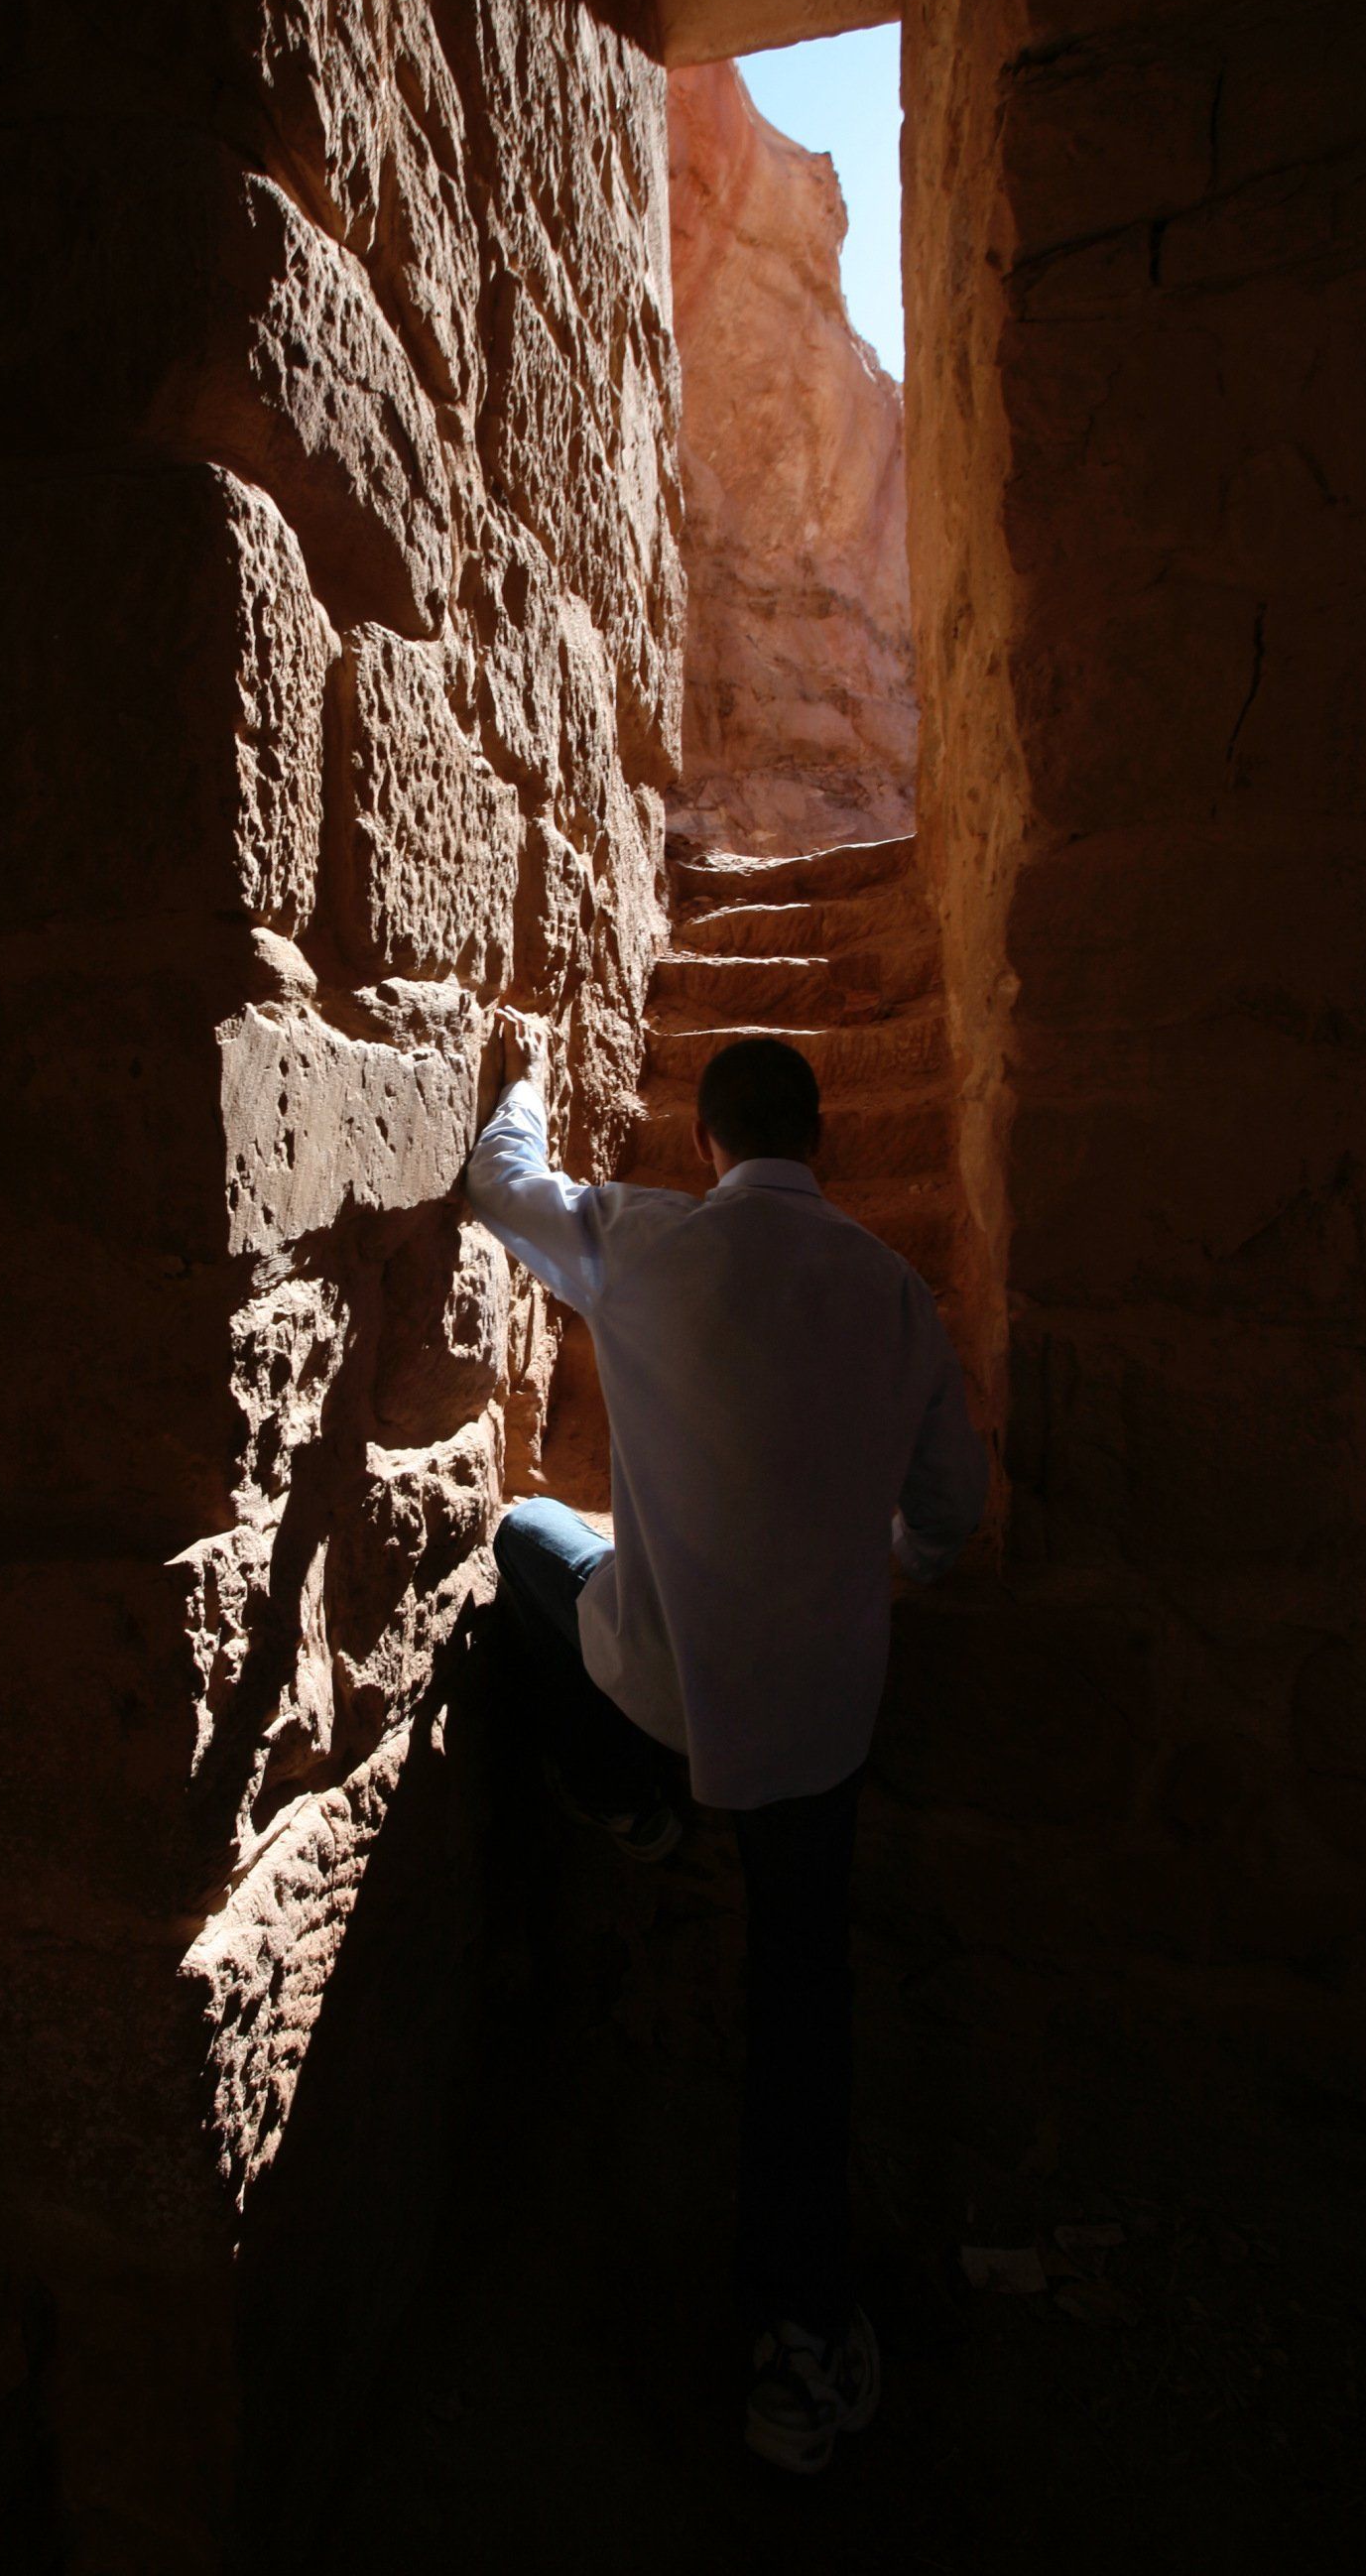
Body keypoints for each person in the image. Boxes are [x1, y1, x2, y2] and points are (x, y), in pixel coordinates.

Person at [465, 1016, 988, 2475]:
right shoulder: (891, 1293)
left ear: (705, 1143)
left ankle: (628, 1794)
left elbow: (502, 1186)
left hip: (662, 1691)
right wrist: (888, 1555)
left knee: (529, 1537)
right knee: (802, 2006)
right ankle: (798, 2345)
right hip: (818, 1717)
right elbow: (948, 1511)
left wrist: (524, 1079)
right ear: (821, 1141)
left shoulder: (649, 1243)